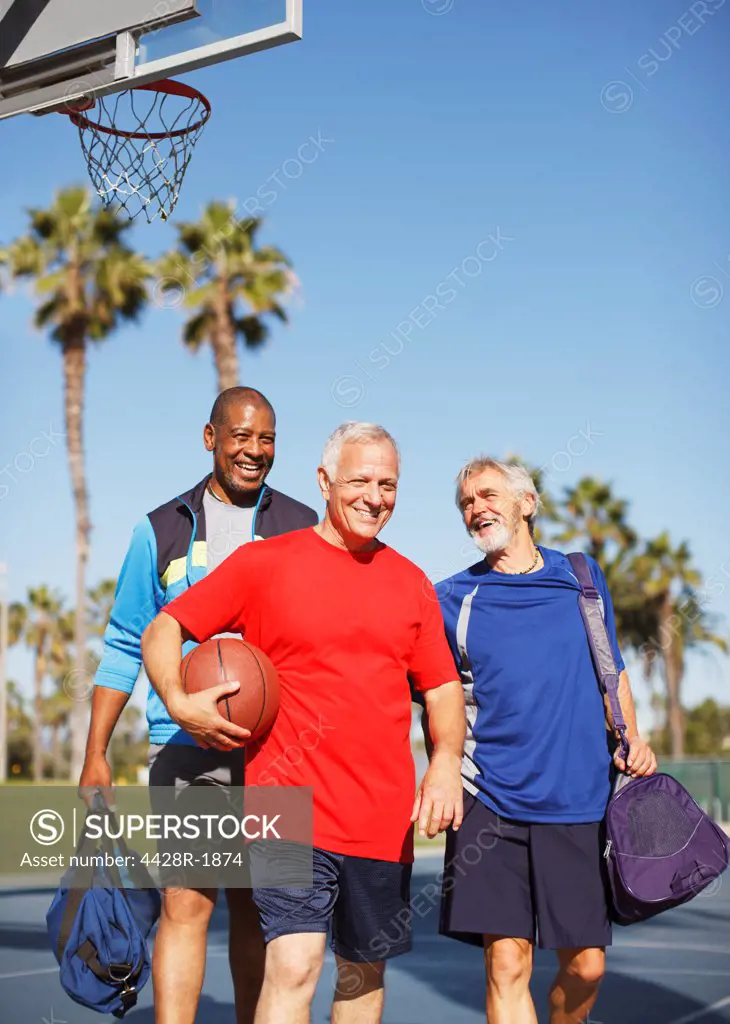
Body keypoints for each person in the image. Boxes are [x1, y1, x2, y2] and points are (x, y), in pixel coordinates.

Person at [141, 421, 466, 1024]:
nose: (376, 496)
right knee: (294, 965)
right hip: (284, 807)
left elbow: (443, 687)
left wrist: (445, 760)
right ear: (324, 480)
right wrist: (180, 702)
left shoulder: (412, 584)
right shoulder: (263, 564)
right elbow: (165, 628)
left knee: (361, 977)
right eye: (361, 480)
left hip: (380, 814)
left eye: (388, 483)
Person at [78, 386, 318, 1024]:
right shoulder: (159, 529)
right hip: (189, 751)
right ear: (210, 438)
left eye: (266, 439)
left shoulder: (302, 526)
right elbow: (125, 644)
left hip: (276, 755)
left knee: (258, 910)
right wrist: (95, 753)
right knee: (188, 905)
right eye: (241, 436)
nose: (254, 450)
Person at [436, 457, 657, 1024]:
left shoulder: (581, 577)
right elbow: (431, 692)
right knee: (507, 964)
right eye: (465, 502)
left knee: (587, 967)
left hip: (578, 803)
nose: (475, 508)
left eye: (487, 495)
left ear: (526, 504)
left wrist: (632, 735)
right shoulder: (452, 598)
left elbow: (613, 668)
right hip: (488, 802)